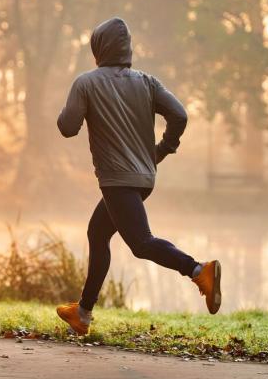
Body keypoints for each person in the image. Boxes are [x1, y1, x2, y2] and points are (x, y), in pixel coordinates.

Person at [55, 17, 221, 336]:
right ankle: (83, 314)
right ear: (127, 48)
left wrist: (68, 108)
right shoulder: (147, 82)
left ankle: (200, 271)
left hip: (118, 180)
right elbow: (180, 115)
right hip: (143, 179)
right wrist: (164, 148)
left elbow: (67, 127)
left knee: (141, 243)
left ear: (98, 48)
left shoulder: (86, 83)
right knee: (98, 233)